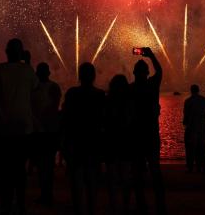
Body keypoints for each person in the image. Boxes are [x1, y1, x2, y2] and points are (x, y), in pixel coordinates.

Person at [0, 38, 37, 215]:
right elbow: (34, 92)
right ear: (21, 53)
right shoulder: (29, 71)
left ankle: (5, 203)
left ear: (7, 52)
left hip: (2, 128)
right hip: (23, 128)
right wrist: (28, 62)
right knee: (20, 169)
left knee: (4, 169)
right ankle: (21, 204)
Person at [62, 62, 105, 215]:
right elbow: (104, 121)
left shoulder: (72, 94)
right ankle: (91, 209)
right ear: (93, 76)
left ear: (80, 76)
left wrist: (64, 145)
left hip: (76, 142)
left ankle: (79, 209)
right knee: (92, 181)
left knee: (77, 181)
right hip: (93, 142)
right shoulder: (100, 95)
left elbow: (65, 119)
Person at [131, 47, 166, 215]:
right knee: (155, 169)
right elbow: (159, 71)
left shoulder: (130, 89)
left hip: (136, 134)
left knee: (137, 172)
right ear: (146, 73)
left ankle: (141, 205)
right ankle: (160, 204)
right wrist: (151, 55)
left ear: (134, 73)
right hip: (151, 133)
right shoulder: (152, 85)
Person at [31, 62, 62, 206]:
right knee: (45, 165)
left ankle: (46, 194)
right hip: (47, 131)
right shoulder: (53, 87)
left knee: (45, 165)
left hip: (43, 131)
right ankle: (46, 194)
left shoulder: (35, 89)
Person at [105, 74, 133, 215]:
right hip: (126, 141)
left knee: (112, 176)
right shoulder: (129, 102)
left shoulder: (107, 101)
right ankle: (126, 205)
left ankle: (113, 204)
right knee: (126, 175)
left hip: (111, 141)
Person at [183, 84, 205, 173]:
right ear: (198, 90)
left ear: (191, 90)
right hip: (202, 127)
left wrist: (185, 123)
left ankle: (191, 167)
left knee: (190, 148)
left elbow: (185, 116)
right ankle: (203, 166)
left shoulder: (188, 101)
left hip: (191, 127)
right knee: (202, 148)